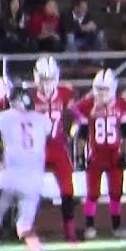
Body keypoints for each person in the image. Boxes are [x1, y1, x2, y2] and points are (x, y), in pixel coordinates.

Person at [0, 79, 55, 251]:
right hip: (34, 179)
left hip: (10, 175)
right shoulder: (42, 120)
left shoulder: (0, 119)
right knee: (24, 225)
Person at [72, 69, 126, 240]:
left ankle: (116, 226)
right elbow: (82, 134)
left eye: (105, 89)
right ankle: (90, 226)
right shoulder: (87, 104)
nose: (101, 93)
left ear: (113, 88)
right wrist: (79, 156)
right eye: (99, 89)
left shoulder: (122, 104)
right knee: (92, 193)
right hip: (95, 153)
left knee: (116, 192)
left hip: (114, 153)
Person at [27, 55, 79, 241]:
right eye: (43, 79)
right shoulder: (29, 96)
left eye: (49, 79)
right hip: (36, 148)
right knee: (28, 188)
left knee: (67, 187)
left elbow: (78, 117)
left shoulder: (65, 94)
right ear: (36, 78)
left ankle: (70, 231)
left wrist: (71, 133)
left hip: (57, 146)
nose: (46, 84)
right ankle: (26, 228)